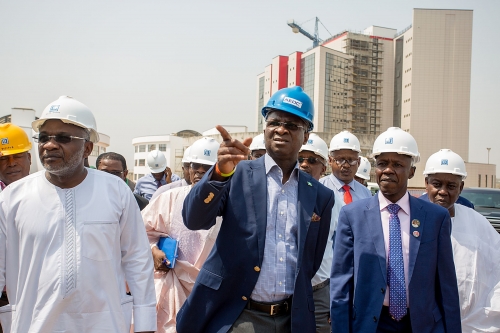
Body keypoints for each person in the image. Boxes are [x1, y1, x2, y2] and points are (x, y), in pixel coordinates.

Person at [176, 86, 335, 333]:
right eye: (275, 122)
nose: (282, 129)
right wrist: (219, 173)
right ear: (265, 128)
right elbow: (194, 218)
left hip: (290, 320)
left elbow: (309, 262)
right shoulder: (236, 173)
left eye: (293, 125)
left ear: (306, 135)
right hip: (237, 315)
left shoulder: (320, 195)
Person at [0, 96, 156, 332]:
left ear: (88, 148)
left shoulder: (116, 192)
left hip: (104, 323)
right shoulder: (13, 198)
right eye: (43, 138)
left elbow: (137, 259)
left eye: (63, 138)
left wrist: (145, 323)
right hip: (33, 324)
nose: (49, 145)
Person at [330, 127, 461, 333]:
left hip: (422, 325)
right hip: (372, 325)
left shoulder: (436, 218)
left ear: (412, 171)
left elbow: (447, 287)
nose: (388, 170)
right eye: (382, 164)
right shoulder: (352, 216)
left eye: (397, 164)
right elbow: (341, 286)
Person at [143, 137, 221, 332]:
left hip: (211, 293)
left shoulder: (232, 204)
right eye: (196, 165)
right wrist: (153, 250)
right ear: (188, 167)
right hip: (171, 287)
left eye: (207, 167)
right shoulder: (169, 197)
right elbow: (141, 231)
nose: (201, 171)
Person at [423, 149, 500, 331]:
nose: (443, 191)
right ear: (426, 183)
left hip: (468, 324)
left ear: (461, 188)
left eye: (451, 186)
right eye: (437, 184)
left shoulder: (477, 223)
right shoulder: (410, 218)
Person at [298, 134, 343, 333]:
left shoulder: (333, 202)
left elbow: (343, 251)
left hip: (319, 290)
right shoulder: (281, 196)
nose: (304, 164)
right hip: (286, 291)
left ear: (324, 168)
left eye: (312, 160)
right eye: (300, 159)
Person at [0, 123, 32, 333]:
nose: (11, 163)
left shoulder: (48, 193)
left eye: (17, 156)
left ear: (29, 158)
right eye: (3, 158)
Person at [320, 131, 371, 204]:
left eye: (351, 160)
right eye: (340, 160)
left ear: (358, 162)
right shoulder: (319, 188)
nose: (346, 165)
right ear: (330, 161)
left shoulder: (366, 194)